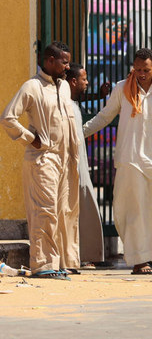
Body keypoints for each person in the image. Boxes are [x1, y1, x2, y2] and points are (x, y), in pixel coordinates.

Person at [83, 48, 152, 275]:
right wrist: (79, 132)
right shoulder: (122, 88)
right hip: (130, 158)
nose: (141, 74)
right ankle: (139, 260)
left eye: (146, 69)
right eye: (137, 69)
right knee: (135, 212)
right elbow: (105, 116)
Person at [0, 42, 80, 280]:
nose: (68, 66)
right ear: (49, 61)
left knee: (63, 211)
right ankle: (43, 264)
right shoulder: (32, 86)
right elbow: (8, 117)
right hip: (42, 159)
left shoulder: (64, 87)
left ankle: (61, 262)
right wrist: (30, 138)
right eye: (64, 62)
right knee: (44, 212)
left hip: (65, 160)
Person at [65, 64, 105, 268]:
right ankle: (76, 256)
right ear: (73, 81)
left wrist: (99, 95)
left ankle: (84, 255)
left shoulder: (73, 103)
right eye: (84, 79)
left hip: (80, 164)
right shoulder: (64, 104)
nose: (87, 82)